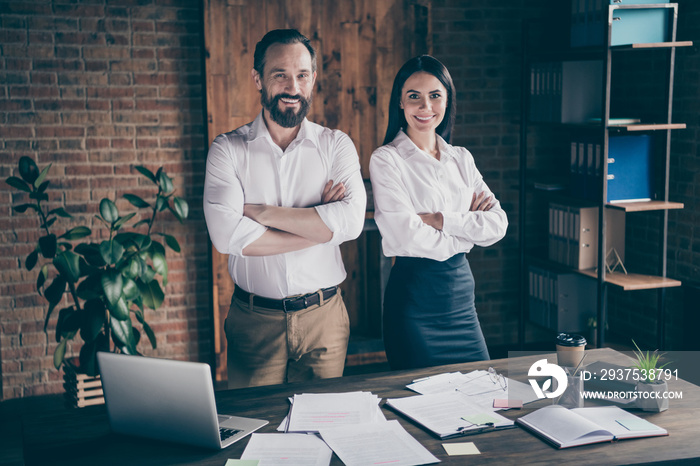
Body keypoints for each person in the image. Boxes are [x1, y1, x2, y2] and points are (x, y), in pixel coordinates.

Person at [203, 29, 366, 388]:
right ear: (258, 79)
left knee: (321, 428)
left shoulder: (336, 145)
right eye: (281, 75)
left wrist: (263, 213)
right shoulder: (228, 150)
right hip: (254, 321)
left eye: (302, 75)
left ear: (313, 78)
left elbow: (351, 224)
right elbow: (227, 235)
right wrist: (320, 225)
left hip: (325, 319)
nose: (293, 87)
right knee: (256, 429)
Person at [369, 55, 508, 370]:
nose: (425, 106)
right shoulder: (387, 159)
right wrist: (466, 233)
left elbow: (498, 224)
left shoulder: (461, 158)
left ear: (447, 101)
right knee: (421, 403)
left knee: (482, 396)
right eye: (414, 96)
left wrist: (440, 220)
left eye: (435, 96)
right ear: (400, 104)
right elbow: (404, 236)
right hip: (414, 300)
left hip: (460, 298)